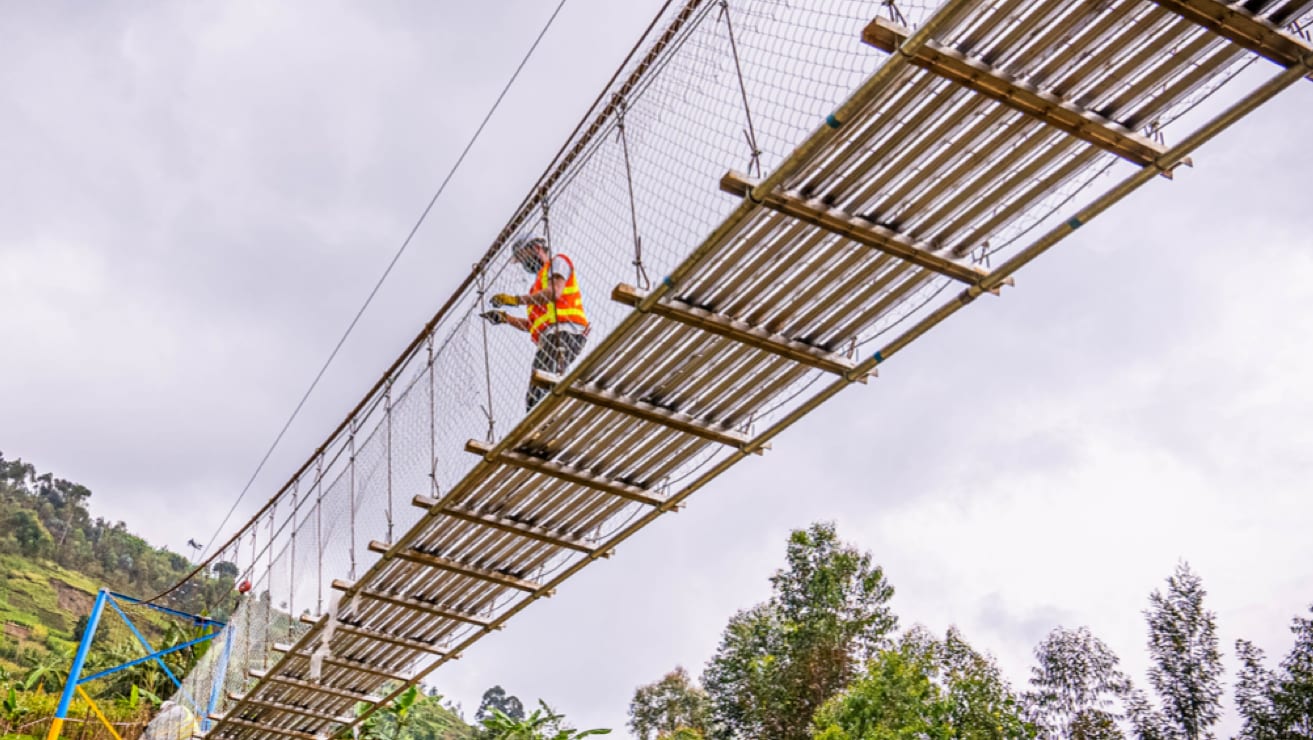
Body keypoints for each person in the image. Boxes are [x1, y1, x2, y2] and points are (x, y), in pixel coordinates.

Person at [481, 235, 590, 410]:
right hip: (552, 336)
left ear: (536, 248)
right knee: (542, 384)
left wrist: (516, 300)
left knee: (541, 384)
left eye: (524, 258)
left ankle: (542, 425)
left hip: (565, 331)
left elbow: (555, 292)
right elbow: (533, 325)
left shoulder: (558, 263)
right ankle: (545, 422)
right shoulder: (536, 288)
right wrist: (506, 318)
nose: (525, 264)